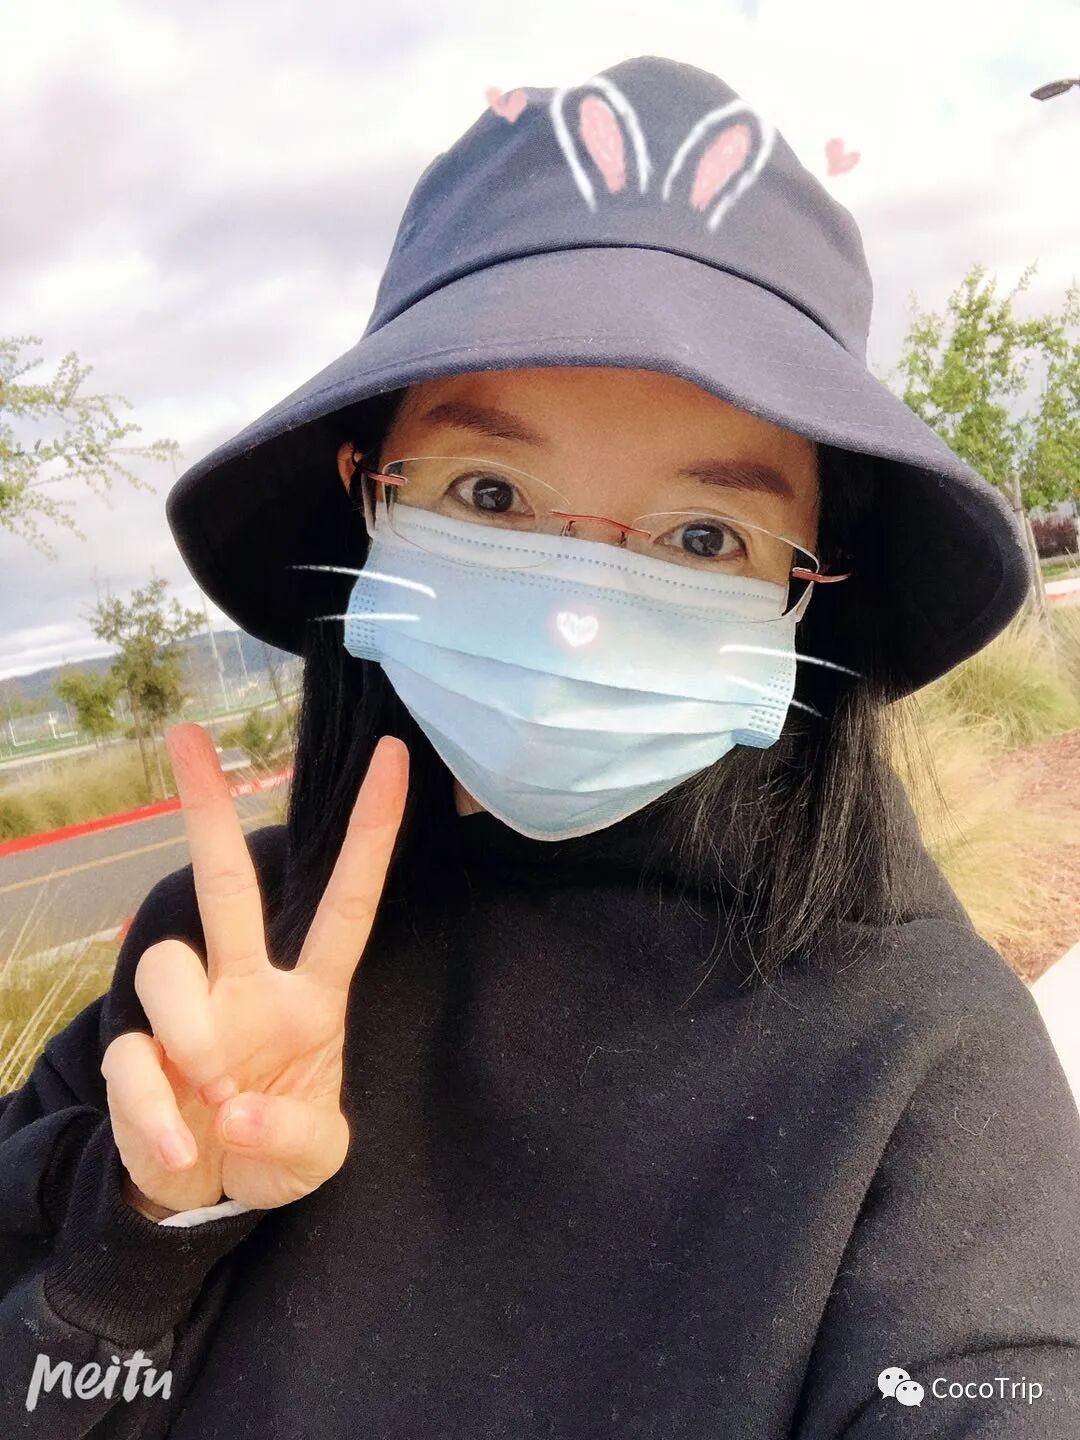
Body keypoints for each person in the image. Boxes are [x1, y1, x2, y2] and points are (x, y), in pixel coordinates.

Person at [2, 52, 1078, 1440]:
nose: (578, 612)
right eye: (493, 493)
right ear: (367, 503)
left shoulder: (924, 1060)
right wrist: (144, 1232)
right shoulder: (213, 960)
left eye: (705, 535)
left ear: (809, 587)